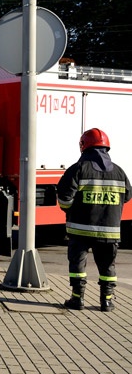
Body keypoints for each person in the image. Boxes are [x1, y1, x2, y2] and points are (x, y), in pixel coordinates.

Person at [57, 128, 132, 312]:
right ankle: (106, 302)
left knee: (77, 265)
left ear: (83, 146)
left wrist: (71, 210)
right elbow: (128, 196)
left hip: (79, 230)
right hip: (109, 232)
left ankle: (77, 299)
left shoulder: (78, 169)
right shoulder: (119, 172)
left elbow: (64, 199)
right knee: (107, 267)